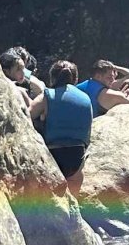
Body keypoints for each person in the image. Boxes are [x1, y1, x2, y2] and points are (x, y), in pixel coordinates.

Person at [29, 60, 93, 191]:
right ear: (75, 79)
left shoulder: (47, 96)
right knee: (76, 179)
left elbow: (27, 115)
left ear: (52, 77)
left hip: (53, 153)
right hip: (77, 154)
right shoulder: (86, 98)